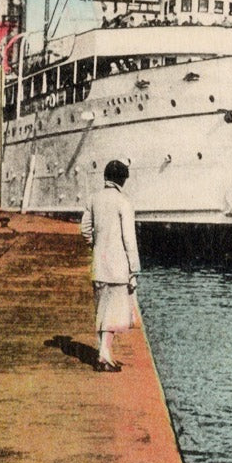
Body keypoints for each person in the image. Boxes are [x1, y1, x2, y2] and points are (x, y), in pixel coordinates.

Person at [80, 159, 141, 373]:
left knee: (101, 310)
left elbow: (85, 229)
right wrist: (134, 269)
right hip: (118, 268)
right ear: (123, 180)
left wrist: (94, 246)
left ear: (105, 177)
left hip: (98, 265)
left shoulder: (93, 199)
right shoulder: (124, 202)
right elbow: (129, 239)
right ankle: (104, 356)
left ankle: (103, 353)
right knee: (113, 314)